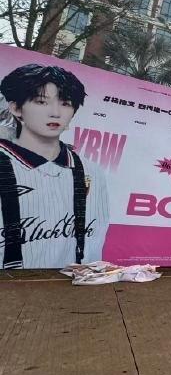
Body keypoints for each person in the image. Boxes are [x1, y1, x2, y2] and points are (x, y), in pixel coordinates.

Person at [0, 64, 109, 269]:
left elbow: (94, 243)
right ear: (16, 108)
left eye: (66, 103)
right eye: (41, 102)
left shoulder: (91, 172)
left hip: (71, 285)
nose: (56, 113)